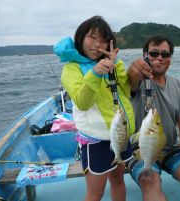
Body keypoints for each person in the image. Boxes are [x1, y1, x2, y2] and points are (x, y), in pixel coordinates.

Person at [53, 16, 135, 201]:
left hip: (119, 133)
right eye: (92, 37)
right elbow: (82, 102)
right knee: (95, 194)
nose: (97, 44)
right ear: (81, 37)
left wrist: (118, 66)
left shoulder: (113, 63)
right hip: (96, 141)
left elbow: (125, 92)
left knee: (118, 181)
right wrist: (96, 73)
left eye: (103, 39)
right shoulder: (71, 69)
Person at [127, 35, 180, 201]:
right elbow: (132, 77)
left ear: (170, 58)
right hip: (140, 148)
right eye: (154, 53)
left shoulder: (178, 86)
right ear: (145, 55)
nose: (159, 58)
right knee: (149, 181)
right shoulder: (138, 81)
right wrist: (134, 68)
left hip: (170, 147)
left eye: (165, 54)